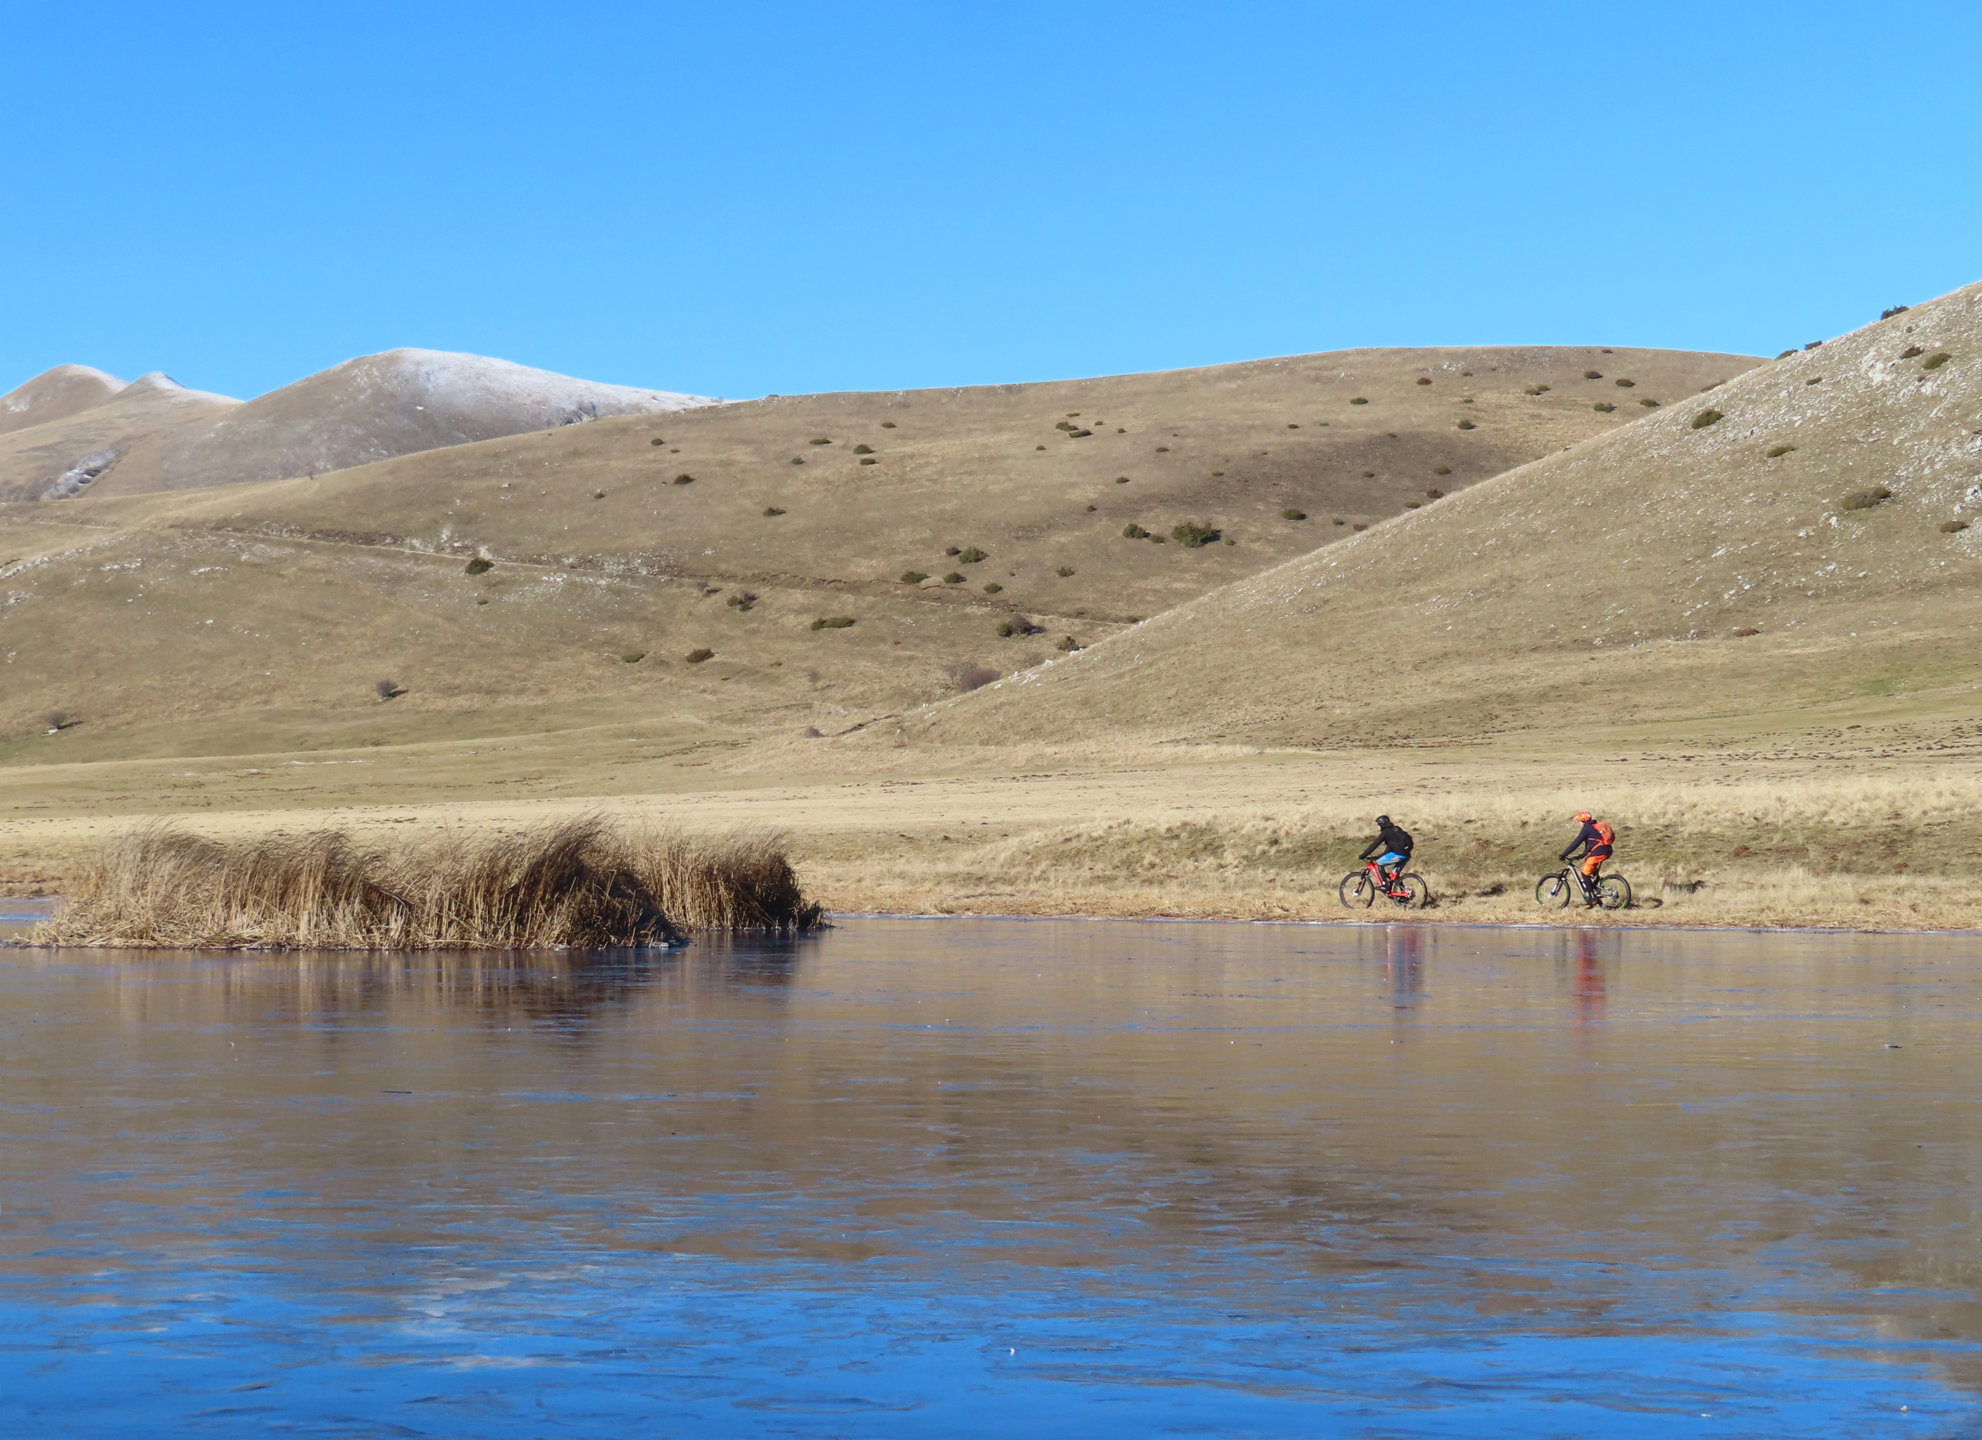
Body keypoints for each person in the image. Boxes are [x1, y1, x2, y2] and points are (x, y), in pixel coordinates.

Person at [1560, 811, 1615, 903]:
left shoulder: (1587, 828)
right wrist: (1581, 855)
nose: (1578, 824)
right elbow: (1591, 845)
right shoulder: (1593, 827)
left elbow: (1576, 843)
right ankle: (1596, 886)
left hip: (1600, 852)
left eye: (1579, 822)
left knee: (1585, 873)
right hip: (1606, 850)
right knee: (1591, 870)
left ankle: (1591, 897)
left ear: (1583, 821)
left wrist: (1564, 854)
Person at [1359, 815, 1414, 890]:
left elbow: (1374, 845)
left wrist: (1363, 855)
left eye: (1379, 824)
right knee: (1394, 875)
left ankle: (1384, 885)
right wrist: (1379, 855)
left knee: (1379, 863)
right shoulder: (1396, 829)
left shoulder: (1385, 832)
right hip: (1406, 855)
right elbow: (1391, 847)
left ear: (1381, 824)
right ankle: (1403, 894)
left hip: (1398, 854)